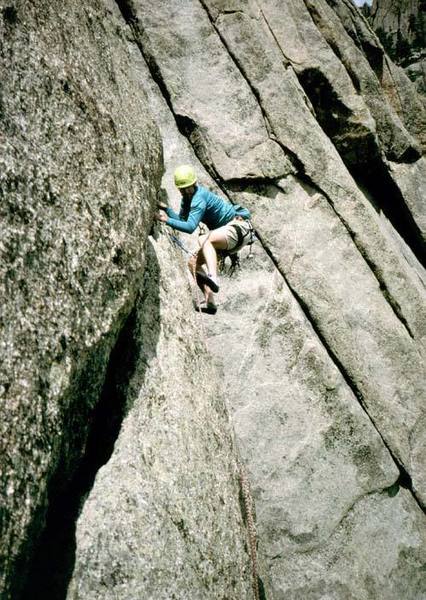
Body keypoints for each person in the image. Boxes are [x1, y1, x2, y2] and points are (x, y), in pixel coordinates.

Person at [155, 164, 253, 314]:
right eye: (183, 189)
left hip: (238, 227)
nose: (187, 191)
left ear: (194, 184)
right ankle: (210, 301)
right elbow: (182, 220)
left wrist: (165, 220)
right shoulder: (186, 201)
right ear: (179, 190)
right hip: (231, 238)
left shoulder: (198, 198)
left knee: (204, 240)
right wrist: (167, 210)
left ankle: (213, 277)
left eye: (189, 187)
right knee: (193, 263)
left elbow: (189, 227)